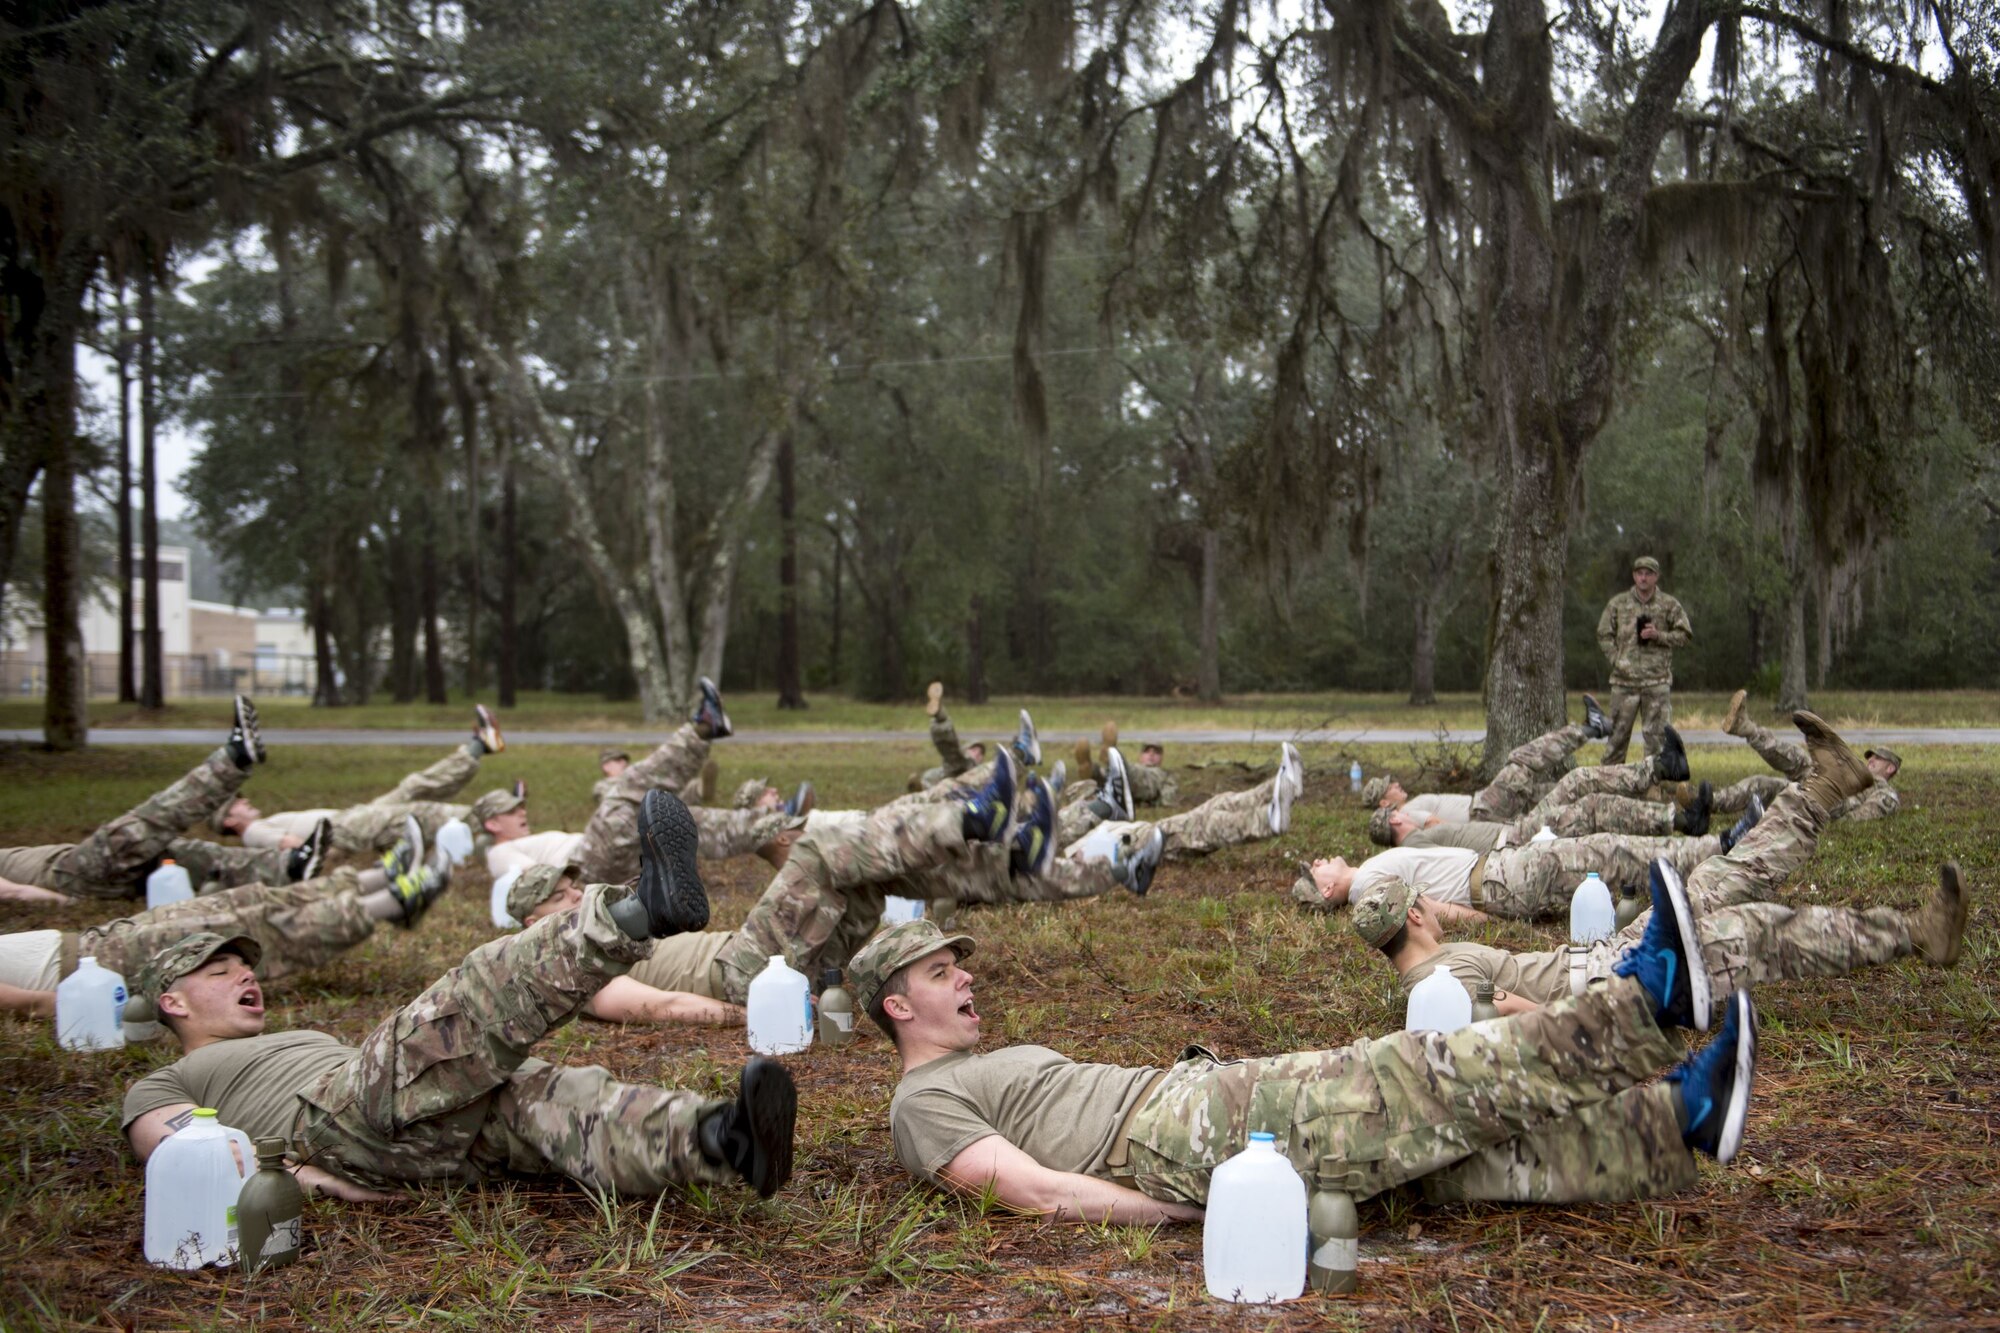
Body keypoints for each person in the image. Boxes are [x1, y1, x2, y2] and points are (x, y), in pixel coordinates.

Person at [853, 907, 1756, 1219]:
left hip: (1185, 1110)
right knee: (1407, 1078)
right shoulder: (920, 1102)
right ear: (899, 1006)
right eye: (941, 972)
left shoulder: (960, 1070)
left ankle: (1672, 1126)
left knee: (1425, 1163)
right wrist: (1176, 1213)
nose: (965, 975)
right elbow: (1029, 1190)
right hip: (1171, 1133)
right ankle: (1645, 1008)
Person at [120, 791, 797, 1203]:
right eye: (219, 971)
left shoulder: (296, 1038)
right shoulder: (165, 1081)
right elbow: (184, 1154)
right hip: (332, 1124)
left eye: (245, 965)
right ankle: (635, 914)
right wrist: (311, 1181)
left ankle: (721, 1139)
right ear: (173, 1004)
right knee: (452, 1016)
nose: (245, 976)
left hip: (414, 1138)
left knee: (544, 1099)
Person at [1302, 711, 1876, 925]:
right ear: (1327, 886)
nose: (1325, 858)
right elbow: (1429, 912)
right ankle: (1722, 843)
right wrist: (1485, 919)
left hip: (1502, 864)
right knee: (1598, 845)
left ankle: (1718, 841)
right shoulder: (1368, 886)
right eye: (1319, 866)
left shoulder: (1373, 874)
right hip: (1500, 877)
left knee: (1602, 845)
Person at [1357, 858, 1969, 1014]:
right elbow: (1520, 1015)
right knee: (1752, 930)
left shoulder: (1431, 969)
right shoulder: (1439, 982)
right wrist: (1622, 1008)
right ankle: (1917, 933)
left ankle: (1822, 791)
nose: (1434, 908)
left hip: (1604, 957)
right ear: (1414, 916)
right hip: (1614, 976)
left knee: (1707, 883)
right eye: (1425, 904)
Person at [0, 824, 452, 1019]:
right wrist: (44, 1004)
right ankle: (390, 903)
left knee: (242, 901)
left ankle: (379, 878)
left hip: (85, 943)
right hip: (80, 968)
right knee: (235, 937)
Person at [0, 697, 313, 904]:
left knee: (180, 855)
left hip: (67, 868)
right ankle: (232, 760)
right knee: (142, 828)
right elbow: (11, 891)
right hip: (66, 877)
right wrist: (63, 902)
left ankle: (289, 866)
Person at [218, 705, 504, 854]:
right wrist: (343, 852)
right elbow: (293, 847)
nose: (244, 800)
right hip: (347, 831)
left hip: (352, 819)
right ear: (229, 821)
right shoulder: (254, 832)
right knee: (419, 813)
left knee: (414, 786)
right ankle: (501, 819)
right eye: (236, 804)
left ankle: (479, 745)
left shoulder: (259, 826)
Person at [1360, 698, 1625, 826]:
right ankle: (1591, 729)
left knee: (1562, 792)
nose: (1395, 783)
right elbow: (1435, 827)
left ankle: (1623, 796)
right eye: (1389, 787)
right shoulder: (1406, 814)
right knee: (1522, 759)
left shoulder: (1406, 812)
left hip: (1486, 808)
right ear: (1385, 802)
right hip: (1485, 807)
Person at [1720, 688, 1902, 821]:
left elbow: (1868, 814)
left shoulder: (1885, 791)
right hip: (1817, 790)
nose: (1871, 759)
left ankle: (1748, 729)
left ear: (1890, 767)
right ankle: (1705, 801)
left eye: (1878, 758)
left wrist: (1835, 823)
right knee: (1763, 783)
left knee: (1804, 763)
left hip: (1833, 802)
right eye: (1871, 756)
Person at [1597, 556, 1693, 763]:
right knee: (1616, 740)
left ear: (1656, 577)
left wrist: (1660, 636)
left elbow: (1685, 635)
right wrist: (1616, 659)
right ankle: (1610, 786)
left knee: (1657, 742)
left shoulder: (1669, 605)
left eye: (1648, 574)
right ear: (1633, 576)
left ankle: (1652, 786)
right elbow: (1603, 634)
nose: (1643, 578)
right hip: (1624, 683)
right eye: (1639, 573)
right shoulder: (1618, 603)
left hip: (1656, 682)